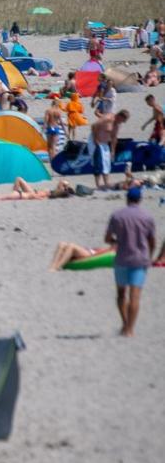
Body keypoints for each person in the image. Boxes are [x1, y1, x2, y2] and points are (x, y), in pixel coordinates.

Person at [105, 187, 156, 336]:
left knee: (121, 294)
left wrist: (117, 241)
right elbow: (152, 241)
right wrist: (150, 256)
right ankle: (130, 329)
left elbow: (107, 238)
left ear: (127, 199)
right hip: (140, 259)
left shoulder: (117, 215)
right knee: (135, 296)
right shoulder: (147, 217)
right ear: (140, 199)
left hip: (121, 258)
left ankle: (124, 323)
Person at [89, 109, 129, 190]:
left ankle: (106, 183)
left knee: (107, 163)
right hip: (96, 141)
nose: (123, 123)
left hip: (105, 144)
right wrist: (95, 139)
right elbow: (94, 126)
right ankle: (98, 184)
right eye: (123, 120)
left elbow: (114, 138)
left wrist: (113, 151)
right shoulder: (108, 118)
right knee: (99, 162)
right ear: (119, 116)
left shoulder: (117, 124)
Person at [0, 177, 76, 201]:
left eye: (65, 188)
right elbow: (62, 181)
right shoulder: (53, 193)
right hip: (24, 194)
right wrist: (67, 187)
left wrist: (37, 197)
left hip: (23, 195)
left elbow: (35, 196)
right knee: (18, 179)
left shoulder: (51, 194)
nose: (63, 186)